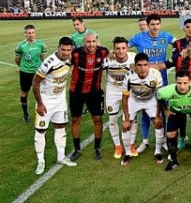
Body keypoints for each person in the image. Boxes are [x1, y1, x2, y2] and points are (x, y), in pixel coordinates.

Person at [129, 14, 176, 153]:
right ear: (147, 25)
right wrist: (131, 62)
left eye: (157, 24)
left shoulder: (166, 36)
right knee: (144, 110)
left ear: (160, 25)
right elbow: (124, 48)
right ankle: (145, 141)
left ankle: (165, 141)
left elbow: (180, 44)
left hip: (161, 80)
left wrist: (169, 61)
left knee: (163, 109)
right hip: (143, 81)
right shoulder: (139, 37)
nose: (155, 27)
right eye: (152, 24)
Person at [32, 37, 77, 175]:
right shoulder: (48, 63)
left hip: (60, 100)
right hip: (46, 101)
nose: (66, 53)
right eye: (63, 50)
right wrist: (40, 104)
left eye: (69, 50)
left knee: (60, 128)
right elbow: (35, 83)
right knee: (41, 131)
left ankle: (61, 157)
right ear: (58, 48)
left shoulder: (70, 58)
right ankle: (41, 160)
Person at [156, 70, 191, 171]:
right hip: (176, 111)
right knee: (171, 134)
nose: (182, 86)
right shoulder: (167, 91)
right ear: (175, 82)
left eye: (185, 83)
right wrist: (166, 110)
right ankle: (173, 159)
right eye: (179, 83)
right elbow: (158, 96)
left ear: (190, 82)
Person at [69, 33, 109, 161]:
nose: (91, 44)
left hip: (94, 92)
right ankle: (77, 149)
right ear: (83, 42)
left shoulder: (103, 52)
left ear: (97, 42)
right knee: (75, 120)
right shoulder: (75, 53)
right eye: (88, 42)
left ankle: (97, 148)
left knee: (97, 119)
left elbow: (113, 58)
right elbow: (65, 64)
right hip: (76, 92)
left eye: (93, 41)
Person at [120, 53, 164, 166]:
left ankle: (158, 151)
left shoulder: (155, 74)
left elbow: (159, 96)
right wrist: (126, 118)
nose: (143, 68)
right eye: (139, 65)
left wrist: (158, 115)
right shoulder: (128, 76)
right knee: (126, 126)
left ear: (149, 65)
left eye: (145, 65)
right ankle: (128, 153)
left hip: (151, 100)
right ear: (134, 66)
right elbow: (124, 98)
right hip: (134, 101)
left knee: (159, 123)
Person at [102, 37, 136, 159]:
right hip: (112, 93)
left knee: (131, 119)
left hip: (128, 92)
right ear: (114, 49)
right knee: (112, 120)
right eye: (117, 48)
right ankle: (118, 146)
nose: (121, 51)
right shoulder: (108, 60)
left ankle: (131, 144)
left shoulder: (133, 58)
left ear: (127, 48)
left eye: (123, 48)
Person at [15, 24, 47, 122]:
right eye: (29, 33)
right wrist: (23, 67)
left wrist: (42, 67)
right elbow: (17, 59)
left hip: (38, 72)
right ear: (25, 34)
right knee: (25, 92)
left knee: (42, 92)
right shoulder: (21, 46)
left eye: (33, 33)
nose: (31, 35)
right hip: (25, 73)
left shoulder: (40, 44)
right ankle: (25, 114)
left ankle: (44, 111)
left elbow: (42, 57)